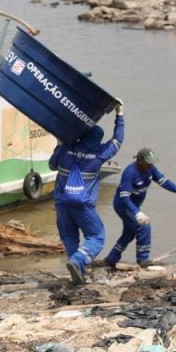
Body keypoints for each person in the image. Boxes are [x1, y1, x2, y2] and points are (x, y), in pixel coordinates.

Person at [49, 103, 125, 285]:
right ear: (98, 140)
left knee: (69, 236)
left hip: (61, 203)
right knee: (97, 236)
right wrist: (120, 115)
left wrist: (61, 144)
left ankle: (77, 270)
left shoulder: (67, 149)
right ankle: (77, 261)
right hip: (82, 205)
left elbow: (52, 165)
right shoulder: (99, 154)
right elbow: (118, 140)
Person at [103, 148, 176, 269]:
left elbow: (163, 181)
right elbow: (124, 197)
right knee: (144, 226)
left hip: (135, 206)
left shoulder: (150, 169)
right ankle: (143, 259)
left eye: (152, 163)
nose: (150, 165)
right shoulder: (129, 173)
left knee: (129, 233)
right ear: (139, 160)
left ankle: (111, 259)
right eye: (147, 162)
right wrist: (137, 213)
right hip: (124, 205)